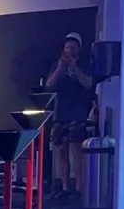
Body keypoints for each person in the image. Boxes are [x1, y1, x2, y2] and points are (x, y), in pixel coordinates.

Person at [41, 32, 96, 197]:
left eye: (72, 47)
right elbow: (48, 86)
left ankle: (79, 187)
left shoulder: (85, 64)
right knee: (61, 151)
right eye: (67, 47)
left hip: (77, 115)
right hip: (60, 115)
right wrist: (59, 69)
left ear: (78, 49)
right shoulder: (57, 65)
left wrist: (75, 67)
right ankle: (64, 187)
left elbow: (88, 84)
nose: (69, 50)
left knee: (76, 151)